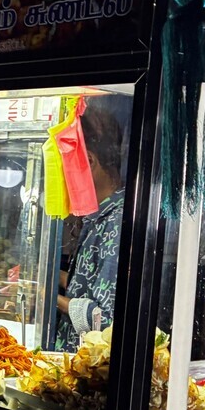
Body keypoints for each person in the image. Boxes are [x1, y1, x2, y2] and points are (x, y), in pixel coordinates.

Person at [53, 99, 126, 351]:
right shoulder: (100, 215)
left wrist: (48, 297)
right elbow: (92, 287)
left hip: (90, 365)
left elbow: (104, 321)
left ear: (90, 161)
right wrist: (49, 277)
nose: (63, 175)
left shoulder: (117, 223)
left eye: (65, 164)